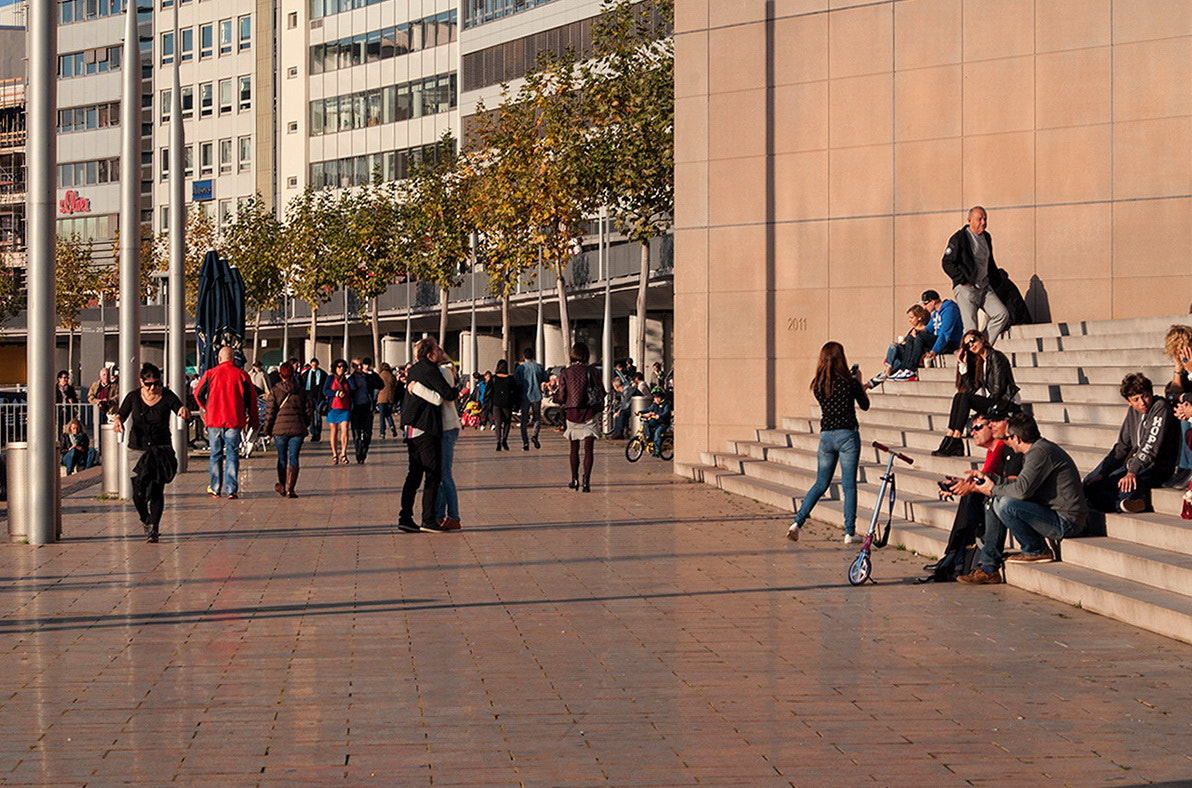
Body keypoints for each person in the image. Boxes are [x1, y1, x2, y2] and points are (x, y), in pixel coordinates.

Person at [961, 413, 1088, 582]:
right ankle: (988, 566)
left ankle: (1036, 549)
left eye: (1007, 438)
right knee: (995, 500)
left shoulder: (1040, 452)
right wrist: (988, 479)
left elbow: (1021, 491)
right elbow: (1020, 485)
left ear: (1017, 438)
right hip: (1053, 513)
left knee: (1005, 503)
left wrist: (992, 489)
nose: (1007, 443)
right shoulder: (1037, 450)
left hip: (1066, 521)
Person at [920, 403, 1021, 582]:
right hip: (1010, 497)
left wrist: (970, 487)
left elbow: (1003, 484)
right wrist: (965, 484)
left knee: (984, 499)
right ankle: (958, 555)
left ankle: (963, 557)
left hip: (1019, 503)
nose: (973, 432)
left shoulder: (1006, 448)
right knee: (976, 497)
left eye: (977, 427)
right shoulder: (998, 450)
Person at [786, 342, 870, 543]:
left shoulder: (818, 384)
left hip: (826, 437)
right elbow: (864, 405)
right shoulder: (849, 382)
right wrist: (859, 383)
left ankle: (797, 522)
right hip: (847, 435)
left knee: (821, 483)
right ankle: (849, 532)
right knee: (849, 485)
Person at [112, 363, 190, 542]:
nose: (153, 387)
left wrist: (182, 411)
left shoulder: (167, 395)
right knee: (138, 492)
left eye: (156, 383)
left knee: (156, 489)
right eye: (148, 384)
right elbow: (121, 413)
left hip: (160, 448)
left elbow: (178, 407)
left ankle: (154, 528)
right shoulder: (133, 397)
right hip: (137, 449)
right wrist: (118, 421)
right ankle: (145, 518)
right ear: (141, 382)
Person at [1083, 374, 1178, 514]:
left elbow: (1150, 446)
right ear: (1128, 401)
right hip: (1135, 465)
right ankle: (1121, 505)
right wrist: (1102, 472)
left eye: (1145, 396)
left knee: (1125, 489)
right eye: (1136, 399)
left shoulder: (1160, 407)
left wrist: (1133, 471)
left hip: (1157, 468)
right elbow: (1121, 447)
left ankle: (1124, 502)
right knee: (1091, 485)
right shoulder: (1132, 412)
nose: (1142, 403)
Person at [397, 337, 458, 533]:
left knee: (413, 475)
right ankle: (429, 519)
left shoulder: (414, 369)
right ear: (430, 354)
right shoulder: (430, 370)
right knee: (433, 474)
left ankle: (405, 516)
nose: (440, 352)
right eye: (437, 350)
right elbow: (446, 395)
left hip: (411, 429)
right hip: (425, 429)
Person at [932, 329, 1018, 457]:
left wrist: (985, 410)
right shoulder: (980, 362)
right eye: (967, 345)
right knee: (960, 396)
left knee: (965, 398)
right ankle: (950, 435)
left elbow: (998, 389)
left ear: (982, 339)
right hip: (995, 401)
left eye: (973, 340)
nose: (971, 345)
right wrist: (963, 366)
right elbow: (971, 390)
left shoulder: (995, 356)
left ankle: (956, 439)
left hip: (1007, 403)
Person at [194, 346, 259, 499]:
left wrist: (206, 407)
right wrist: (253, 419)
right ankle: (231, 489)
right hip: (234, 419)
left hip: (214, 420)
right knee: (232, 453)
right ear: (233, 358)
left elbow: (197, 394)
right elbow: (252, 400)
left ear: (219, 358)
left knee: (215, 454)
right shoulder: (242, 375)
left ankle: (215, 487)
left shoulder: (210, 374)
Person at [941, 206, 1012, 345]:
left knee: (1001, 314)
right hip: (966, 288)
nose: (983, 222)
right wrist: (962, 280)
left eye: (985, 219)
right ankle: (970, 360)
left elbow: (989, 262)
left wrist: (998, 282)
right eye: (979, 219)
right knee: (971, 328)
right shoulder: (960, 237)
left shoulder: (986, 237)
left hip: (984, 286)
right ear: (969, 220)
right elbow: (947, 262)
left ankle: (982, 344)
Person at [556, 342, 605, 493]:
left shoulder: (566, 372)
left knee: (574, 448)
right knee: (589, 449)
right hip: (588, 412)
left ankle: (574, 479)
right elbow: (601, 391)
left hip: (571, 413)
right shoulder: (592, 371)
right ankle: (587, 482)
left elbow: (562, 395)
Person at [262, 361, 313, 499]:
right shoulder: (300, 391)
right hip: (297, 429)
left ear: (280, 375)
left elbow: (270, 412)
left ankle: (283, 486)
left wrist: (266, 430)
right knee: (294, 458)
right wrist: (304, 424)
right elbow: (308, 411)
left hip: (279, 430)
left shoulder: (275, 391)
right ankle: (291, 489)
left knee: (282, 458)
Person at [866, 304, 936, 386]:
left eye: (912, 318)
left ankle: (882, 374)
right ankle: (887, 368)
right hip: (905, 355)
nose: (910, 320)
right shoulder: (912, 330)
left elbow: (919, 347)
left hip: (911, 359)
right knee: (894, 347)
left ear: (919, 317)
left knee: (896, 362)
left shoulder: (924, 331)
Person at [1162, 325, 1192, 488]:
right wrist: (1179, 369)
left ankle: (1188, 468)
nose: (1182, 356)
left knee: (1185, 417)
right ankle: (1182, 468)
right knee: (1175, 410)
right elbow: (1172, 395)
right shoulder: (1185, 369)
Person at [514, 347, 546, 450]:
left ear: (524, 357)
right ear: (533, 356)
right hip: (536, 395)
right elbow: (544, 379)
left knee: (524, 419)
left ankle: (525, 442)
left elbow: (517, 382)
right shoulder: (539, 367)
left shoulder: (520, 368)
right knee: (537, 417)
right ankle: (535, 435)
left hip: (524, 396)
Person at [919, 289, 964, 363]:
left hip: (949, 343)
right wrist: (917, 331)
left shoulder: (950, 310)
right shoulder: (936, 313)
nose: (924, 307)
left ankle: (911, 368)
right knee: (914, 337)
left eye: (926, 304)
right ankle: (905, 367)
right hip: (938, 339)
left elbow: (945, 334)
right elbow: (929, 328)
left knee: (920, 338)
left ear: (933, 302)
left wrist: (934, 351)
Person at [323, 359, 352, 465]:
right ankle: (334, 454)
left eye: (343, 367)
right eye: (339, 366)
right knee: (334, 431)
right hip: (333, 408)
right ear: (335, 368)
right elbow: (325, 390)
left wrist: (349, 379)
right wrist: (336, 393)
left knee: (345, 430)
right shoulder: (330, 378)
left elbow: (352, 390)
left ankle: (343, 453)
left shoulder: (347, 379)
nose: (341, 369)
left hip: (345, 408)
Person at [488, 359, 516, 451]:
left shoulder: (493, 378)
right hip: (507, 403)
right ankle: (504, 439)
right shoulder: (510, 379)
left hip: (496, 403)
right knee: (507, 422)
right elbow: (515, 391)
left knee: (498, 423)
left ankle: (498, 441)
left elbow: (489, 391)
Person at [300, 357, 327, 442]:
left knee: (318, 416)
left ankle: (318, 433)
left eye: (315, 365)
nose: (314, 366)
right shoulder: (307, 374)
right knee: (311, 416)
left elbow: (325, 385)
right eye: (312, 365)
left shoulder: (322, 374)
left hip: (319, 397)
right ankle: (313, 432)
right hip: (309, 397)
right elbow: (302, 384)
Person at [639, 388, 672, 456]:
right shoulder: (654, 404)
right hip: (656, 421)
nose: (656, 399)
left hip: (663, 423)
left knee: (657, 434)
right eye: (654, 397)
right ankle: (649, 436)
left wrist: (660, 415)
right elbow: (648, 409)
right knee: (647, 423)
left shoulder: (666, 404)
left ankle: (657, 451)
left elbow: (666, 412)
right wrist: (640, 412)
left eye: (658, 397)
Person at [377, 362, 398, 439]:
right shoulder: (391, 376)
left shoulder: (380, 376)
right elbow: (395, 386)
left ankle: (382, 432)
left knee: (382, 416)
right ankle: (392, 426)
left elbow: (377, 387)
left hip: (381, 398)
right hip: (390, 398)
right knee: (388, 414)